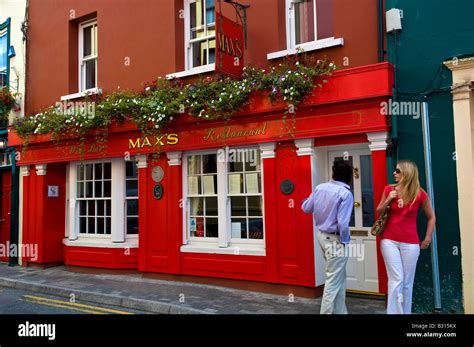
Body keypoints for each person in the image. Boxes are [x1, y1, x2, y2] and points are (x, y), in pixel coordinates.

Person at [376, 160, 436, 314]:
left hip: (411, 242)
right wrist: (389, 198)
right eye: (395, 171)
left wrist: (428, 237)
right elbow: (379, 211)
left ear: (406, 173)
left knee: (407, 283)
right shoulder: (389, 189)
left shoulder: (420, 194)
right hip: (389, 240)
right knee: (396, 279)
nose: (394, 173)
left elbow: (431, 217)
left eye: (397, 171)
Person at [302, 160, 354, 314]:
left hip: (322, 236)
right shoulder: (345, 193)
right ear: (349, 177)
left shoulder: (319, 188)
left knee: (339, 278)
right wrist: (344, 241)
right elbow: (343, 223)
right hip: (336, 240)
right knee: (333, 281)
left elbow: (306, 208)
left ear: (333, 173)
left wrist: (310, 199)